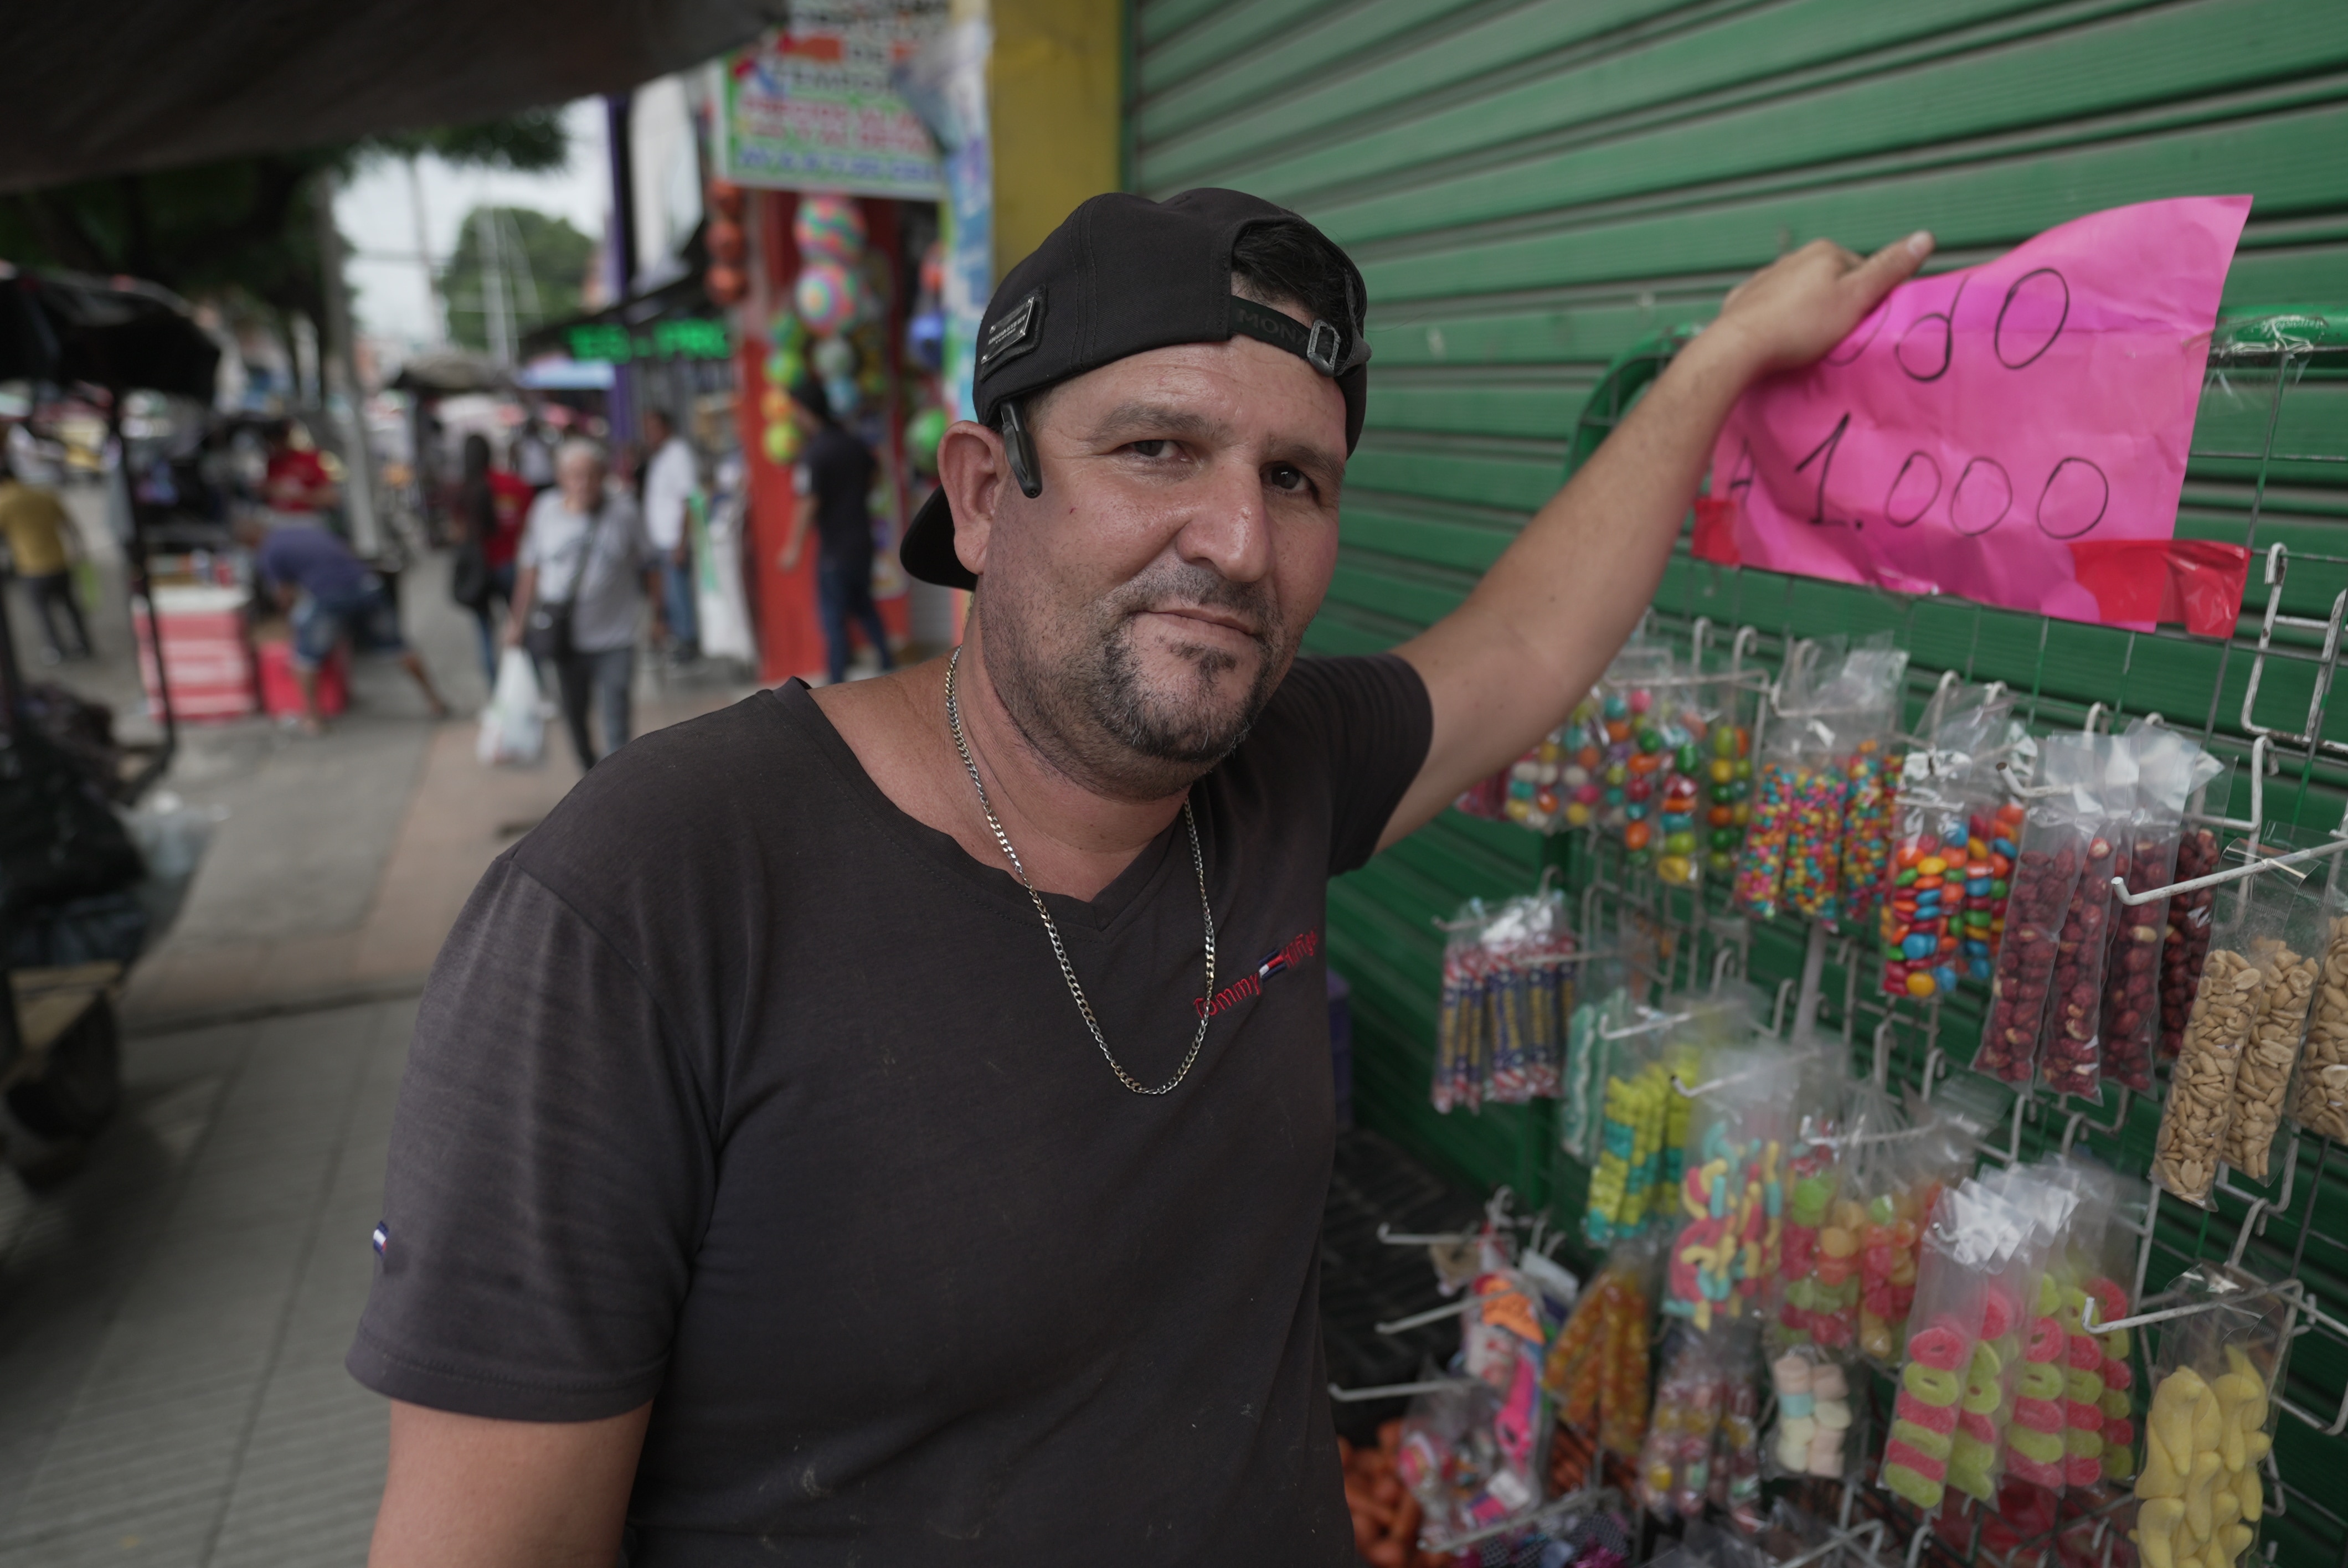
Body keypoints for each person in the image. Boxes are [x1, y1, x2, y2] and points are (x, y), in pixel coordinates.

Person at [354, 189, 1928, 1562]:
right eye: (1158, 448)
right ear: (983, 496)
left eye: (1296, 480)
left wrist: (1718, 361)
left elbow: (1522, 645)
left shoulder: (1276, 776)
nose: (1236, 541)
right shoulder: (647, 901)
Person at [504, 439, 657, 770]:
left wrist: (660, 615)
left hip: (616, 638)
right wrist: (517, 620)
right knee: (575, 717)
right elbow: (530, 569)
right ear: (561, 478)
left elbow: (648, 563)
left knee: (617, 722)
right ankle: (589, 782)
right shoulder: (545, 510)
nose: (583, 483)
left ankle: (618, 789)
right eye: (574, 475)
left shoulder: (625, 512)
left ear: (603, 475)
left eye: (590, 475)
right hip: (567, 640)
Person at [246, 518, 449, 733]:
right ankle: (435, 701)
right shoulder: (308, 530)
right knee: (399, 647)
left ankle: (314, 718)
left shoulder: (269, 550)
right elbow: (347, 550)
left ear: (250, 541)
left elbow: (283, 595)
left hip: (329, 597)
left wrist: (290, 623)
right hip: (366, 585)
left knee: (305, 658)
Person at [779, 378, 894, 685]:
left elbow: (808, 502)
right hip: (862, 542)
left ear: (805, 412)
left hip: (835, 551)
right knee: (865, 607)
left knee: (834, 621)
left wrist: (793, 548)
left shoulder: (815, 454)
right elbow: (876, 471)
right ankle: (889, 666)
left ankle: (834, 689)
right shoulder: (852, 443)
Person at [450, 434, 530, 683]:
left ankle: (497, 693)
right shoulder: (513, 485)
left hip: (477, 573)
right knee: (520, 628)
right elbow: (528, 527)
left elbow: (457, 535)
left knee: (485, 635)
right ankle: (533, 687)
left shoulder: (461, 491)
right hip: (509, 565)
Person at [0, 451, 91, 663]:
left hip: (32, 566)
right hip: (59, 560)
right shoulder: (44, 495)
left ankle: (57, 649)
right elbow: (69, 524)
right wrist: (79, 550)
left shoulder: (4, 503)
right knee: (71, 607)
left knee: (43, 613)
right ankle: (84, 645)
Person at [639, 408, 701, 664]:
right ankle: (679, 638)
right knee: (670, 595)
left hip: (674, 541)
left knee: (679, 595)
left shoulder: (678, 454)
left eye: (653, 428)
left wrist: (681, 542)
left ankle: (688, 643)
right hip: (662, 541)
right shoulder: (661, 456)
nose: (649, 435)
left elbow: (689, 499)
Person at [261, 420, 335, 518]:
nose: (276, 446)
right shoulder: (272, 462)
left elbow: (330, 497)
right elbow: (267, 490)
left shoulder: (310, 458)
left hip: (307, 517)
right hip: (277, 517)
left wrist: (296, 496)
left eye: (280, 439)